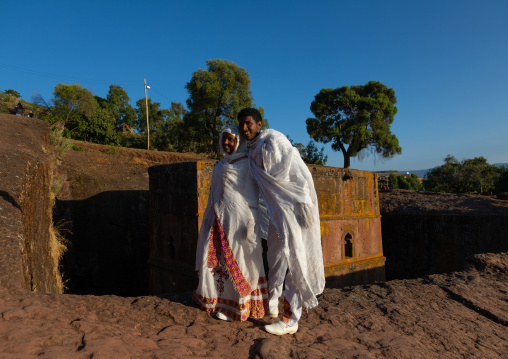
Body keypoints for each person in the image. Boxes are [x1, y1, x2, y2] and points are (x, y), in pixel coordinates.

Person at [238, 108, 325, 335]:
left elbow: (297, 172)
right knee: (275, 258)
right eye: (241, 125)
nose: (245, 129)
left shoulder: (273, 141)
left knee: (295, 258)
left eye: (248, 123)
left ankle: (290, 319)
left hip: (292, 210)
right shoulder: (252, 150)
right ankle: (274, 307)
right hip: (274, 213)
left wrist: (305, 202)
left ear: (259, 123)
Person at [194, 125, 268, 321]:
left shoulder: (247, 165)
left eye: (231, 139)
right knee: (218, 264)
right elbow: (213, 197)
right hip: (218, 222)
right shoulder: (219, 166)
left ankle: (239, 307)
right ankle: (220, 302)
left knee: (242, 263)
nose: (226, 143)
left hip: (241, 225)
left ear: (239, 142)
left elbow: (256, 195)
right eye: (224, 139)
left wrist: (252, 221)